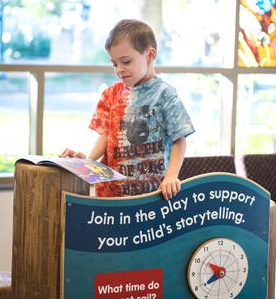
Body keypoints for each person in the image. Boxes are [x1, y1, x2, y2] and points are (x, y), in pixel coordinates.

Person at [60, 19, 195, 200]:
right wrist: (87, 164)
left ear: (150, 54)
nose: (119, 70)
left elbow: (179, 140)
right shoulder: (111, 94)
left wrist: (171, 176)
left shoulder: (165, 94)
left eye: (126, 61)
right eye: (115, 64)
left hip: (152, 196)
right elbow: (106, 137)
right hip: (111, 196)